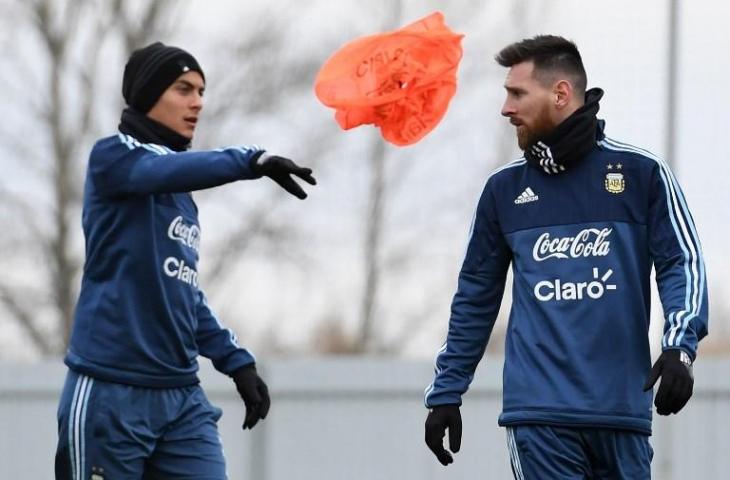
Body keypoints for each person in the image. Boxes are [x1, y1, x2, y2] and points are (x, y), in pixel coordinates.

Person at [423, 35, 708, 479]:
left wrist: (680, 347)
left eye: (517, 94)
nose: (506, 108)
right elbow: (475, 297)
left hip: (622, 414)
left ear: (560, 93)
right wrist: (447, 390)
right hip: (539, 416)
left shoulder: (641, 173)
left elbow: (681, 263)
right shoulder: (503, 191)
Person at [54, 42, 315, 479]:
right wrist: (251, 160)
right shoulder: (113, 158)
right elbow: (162, 168)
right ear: (148, 93)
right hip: (111, 394)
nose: (197, 102)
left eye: (201, 91)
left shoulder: (181, 194)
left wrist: (237, 361)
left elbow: (182, 291)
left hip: (180, 401)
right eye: (183, 88)